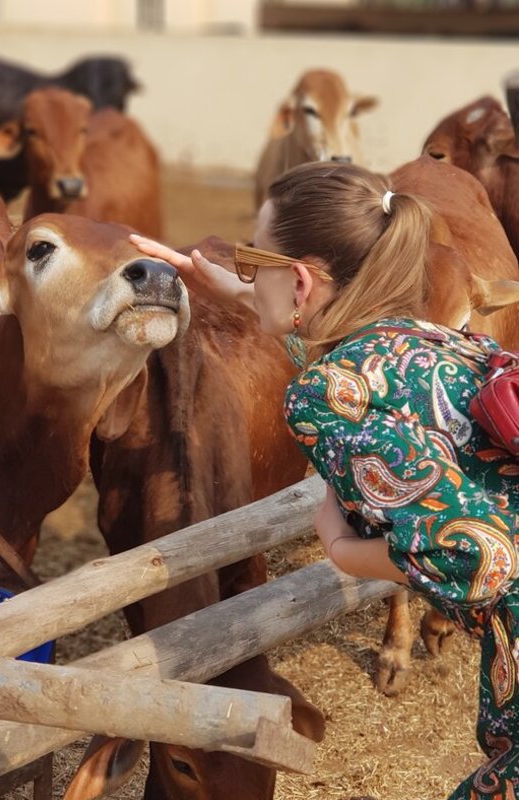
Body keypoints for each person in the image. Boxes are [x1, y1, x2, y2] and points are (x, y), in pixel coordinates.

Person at [130, 161, 519, 800]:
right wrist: (227, 284)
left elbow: (481, 557)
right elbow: (342, 359)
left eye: (255, 263)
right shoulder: (426, 340)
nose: (249, 277)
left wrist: (345, 553)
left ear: (303, 282)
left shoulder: (318, 397)